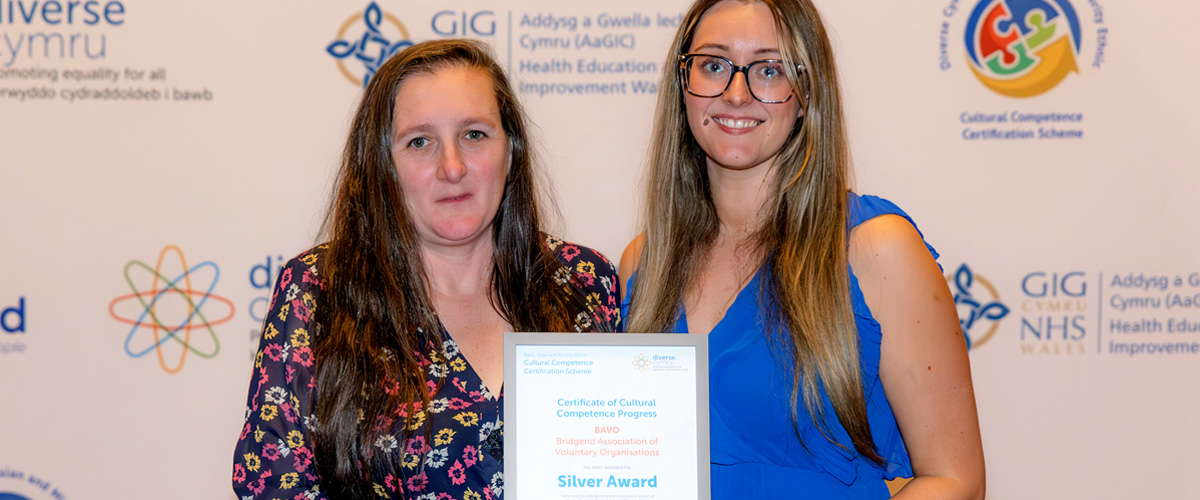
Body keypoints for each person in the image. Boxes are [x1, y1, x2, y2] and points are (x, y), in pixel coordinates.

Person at [618, 0, 985, 498]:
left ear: (807, 92)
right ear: (683, 84)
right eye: (713, 65)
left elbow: (954, 479)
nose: (736, 93)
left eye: (768, 69)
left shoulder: (874, 248)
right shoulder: (643, 264)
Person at [233, 39, 621, 500]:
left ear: (511, 151)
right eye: (420, 142)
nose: (452, 167)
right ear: (383, 166)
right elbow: (273, 482)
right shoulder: (317, 291)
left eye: (474, 134)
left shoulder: (583, 282)